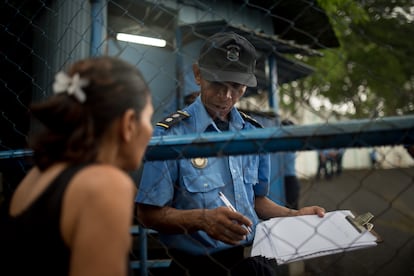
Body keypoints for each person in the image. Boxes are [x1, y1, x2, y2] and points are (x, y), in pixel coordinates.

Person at [135, 32, 325, 276]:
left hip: (250, 263)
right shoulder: (170, 136)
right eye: (217, 84)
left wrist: (294, 215)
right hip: (195, 269)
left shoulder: (252, 134)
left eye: (236, 87)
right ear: (198, 75)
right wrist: (201, 219)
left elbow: (256, 201)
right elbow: (147, 214)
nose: (226, 96)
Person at [0, 56, 154, 276]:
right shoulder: (105, 184)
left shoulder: (37, 176)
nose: (150, 130)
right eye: (148, 117)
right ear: (129, 123)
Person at [280, 119, 301, 210]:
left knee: (291, 207)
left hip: (289, 179)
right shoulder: (285, 143)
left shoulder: (290, 143)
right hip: (285, 179)